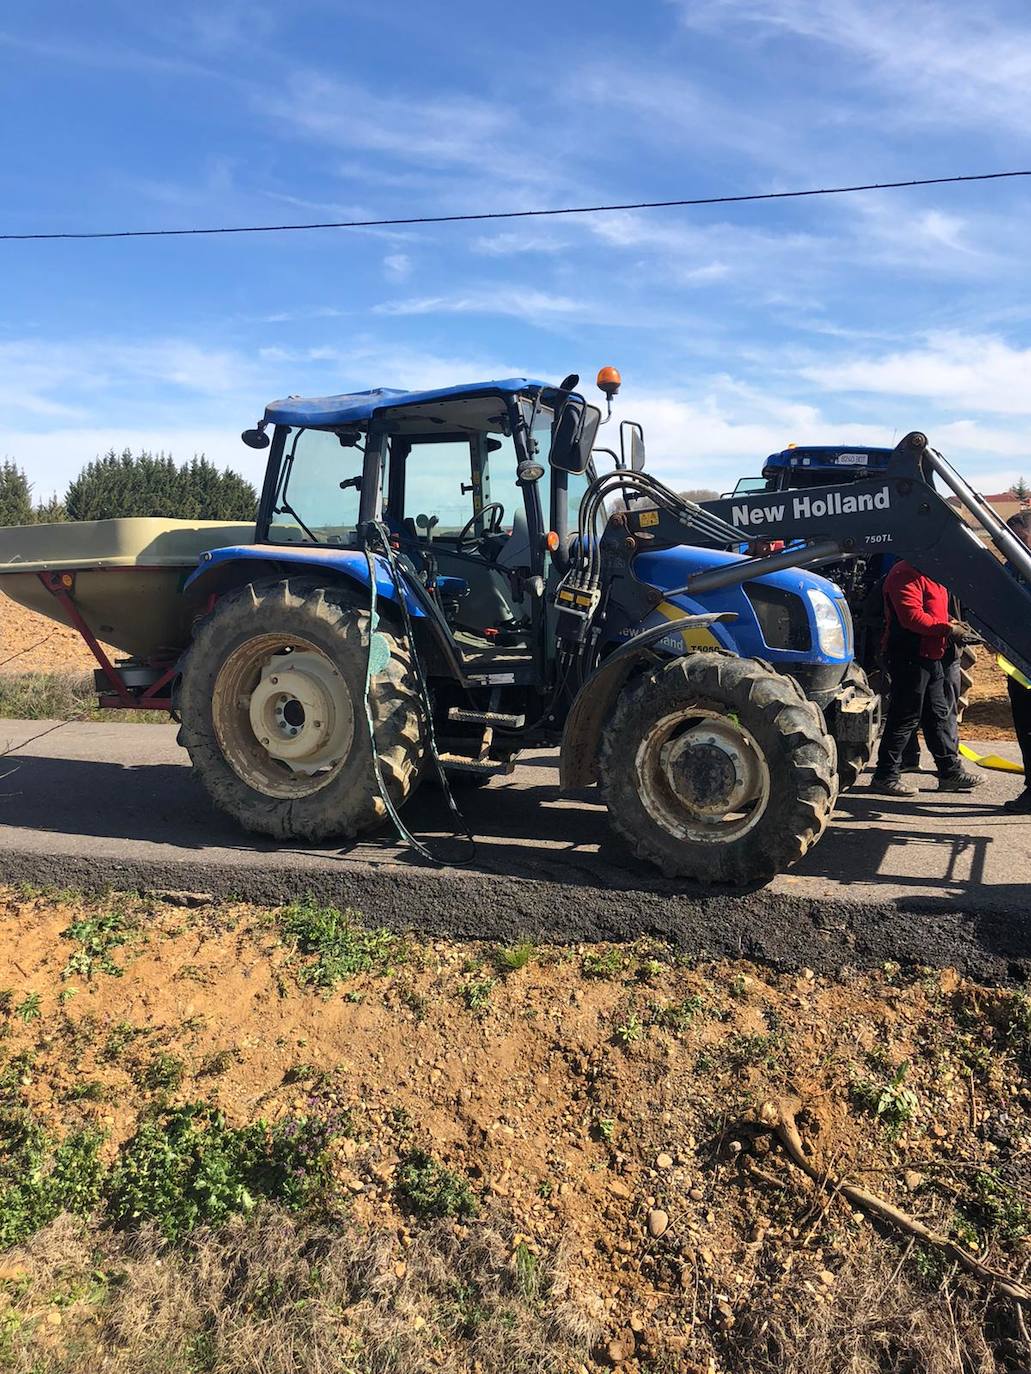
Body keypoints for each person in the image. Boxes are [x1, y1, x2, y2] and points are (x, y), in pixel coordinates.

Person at [870, 560, 982, 796]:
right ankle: (885, 775)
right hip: (909, 656)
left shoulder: (932, 574)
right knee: (905, 715)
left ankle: (949, 772)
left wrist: (951, 621)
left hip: (930, 655)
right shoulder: (905, 574)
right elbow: (912, 618)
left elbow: (935, 611)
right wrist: (949, 630)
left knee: (937, 713)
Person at [1002, 510, 1031, 814]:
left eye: (1019, 538)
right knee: (1026, 726)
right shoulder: (1010, 569)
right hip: (1019, 665)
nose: (1014, 545)